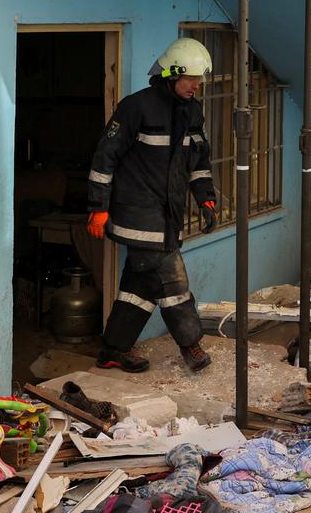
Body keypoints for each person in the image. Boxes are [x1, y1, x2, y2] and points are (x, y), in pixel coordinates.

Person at [86, 37, 218, 373]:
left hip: (167, 214)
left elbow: (198, 161)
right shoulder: (136, 107)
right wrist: (98, 206)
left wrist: (206, 197)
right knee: (172, 281)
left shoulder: (193, 112)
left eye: (199, 79)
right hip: (137, 213)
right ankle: (191, 345)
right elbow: (105, 157)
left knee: (139, 286)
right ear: (172, 75)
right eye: (190, 78)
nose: (196, 85)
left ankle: (114, 349)